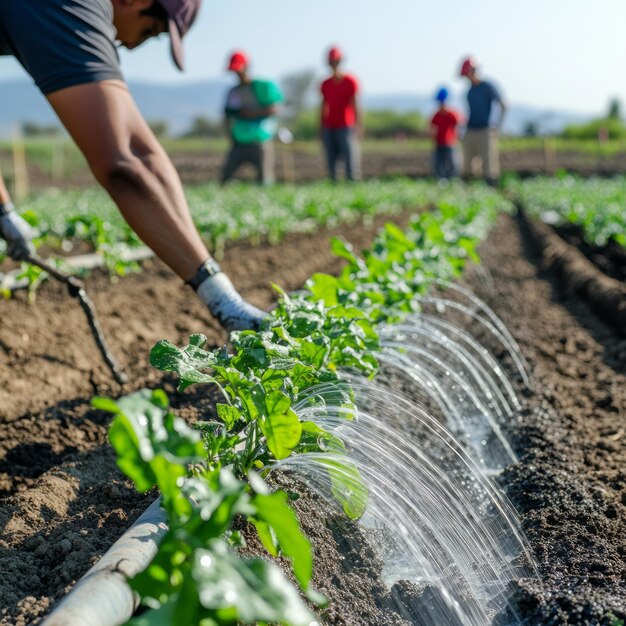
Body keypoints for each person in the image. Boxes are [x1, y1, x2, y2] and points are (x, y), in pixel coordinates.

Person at [0, 0, 265, 332]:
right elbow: (127, 161)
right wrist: (221, 297)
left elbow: (145, 157)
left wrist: (3, 209)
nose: (133, 44)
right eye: (149, 32)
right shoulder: (70, 6)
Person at [221, 50, 283, 185]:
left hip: (259, 139)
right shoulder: (234, 92)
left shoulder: (263, 86)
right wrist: (229, 135)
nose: (237, 74)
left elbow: (275, 108)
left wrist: (252, 113)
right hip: (239, 139)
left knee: (264, 178)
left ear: (246, 67)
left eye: (239, 69)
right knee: (225, 177)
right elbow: (227, 115)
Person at [459, 57, 506, 186]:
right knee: (467, 163)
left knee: (489, 163)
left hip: (485, 129)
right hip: (470, 129)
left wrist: (498, 126)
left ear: (473, 71)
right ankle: (469, 190)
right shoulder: (469, 91)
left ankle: (491, 188)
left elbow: (503, 105)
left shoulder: (487, 87)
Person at [320, 46, 362, 181]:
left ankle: (353, 181)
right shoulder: (325, 83)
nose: (334, 64)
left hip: (346, 125)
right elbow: (323, 105)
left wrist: (359, 125)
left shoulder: (350, 81)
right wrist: (320, 126)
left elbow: (355, 105)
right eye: (332, 61)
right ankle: (334, 183)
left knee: (350, 156)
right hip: (329, 125)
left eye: (336, 61)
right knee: (331, 158)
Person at [429, 87, 462, 180]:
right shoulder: (437, 115)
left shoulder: (452, 114)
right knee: (438, 164)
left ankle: (453, 180)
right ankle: (441, 180)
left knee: (452, 163)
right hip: (439, 143)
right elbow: (431, 128)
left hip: (450, 143)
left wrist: (458, 139)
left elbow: (459, 126)